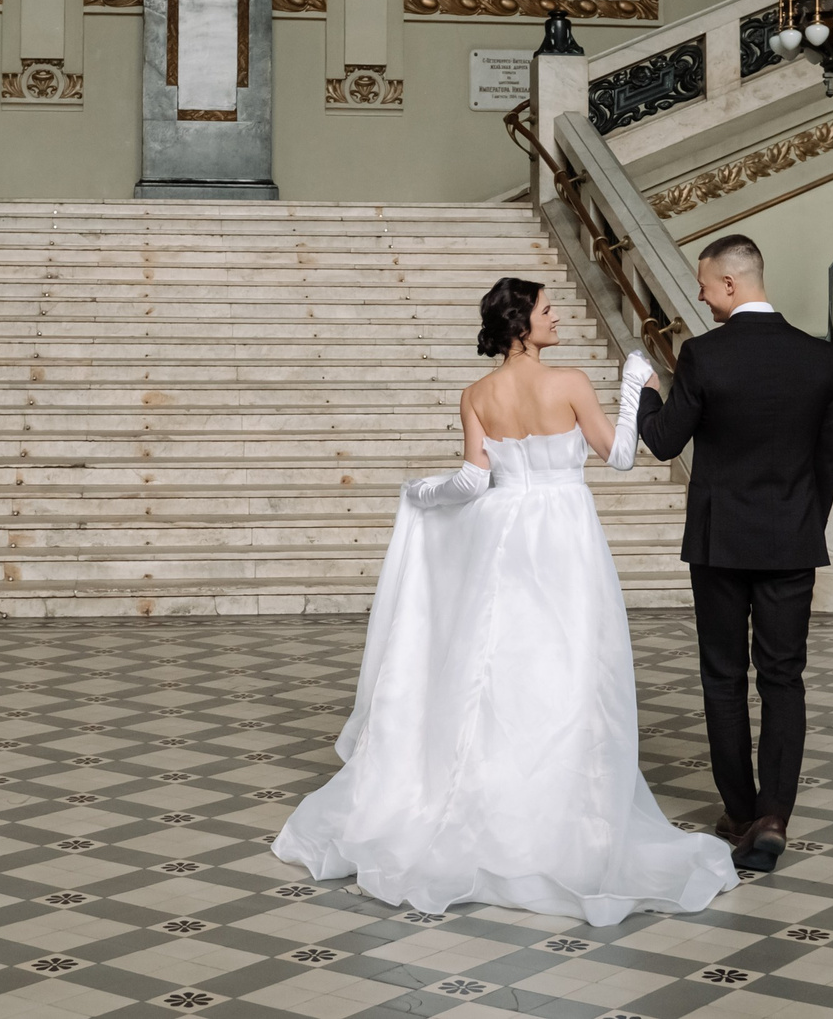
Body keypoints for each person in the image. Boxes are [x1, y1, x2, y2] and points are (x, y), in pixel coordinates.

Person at [273, 278, 740, 925]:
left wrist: (421, 494)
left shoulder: (477, 394)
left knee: (498, 666)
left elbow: (472, 479)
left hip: (503, 536)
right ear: (522, 322)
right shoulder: (570, 382)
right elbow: (623, 455)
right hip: (564, 534)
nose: (558, 316)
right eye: (548, 308)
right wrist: (637, 384)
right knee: (570, 666)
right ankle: (555, 810)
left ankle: (488, 803)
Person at [634, 233, 833, 874]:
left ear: (730, 284)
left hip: (720, 542)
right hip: (790, 539)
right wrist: (802, 525)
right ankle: (774, 816)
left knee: (723, 678)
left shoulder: (703, 356)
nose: (698, 293)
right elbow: (827, 462)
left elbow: (666, 443)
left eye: (704, 283)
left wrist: (643, 389)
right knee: (784, 678)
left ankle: (738, 811)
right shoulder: (818, 357)